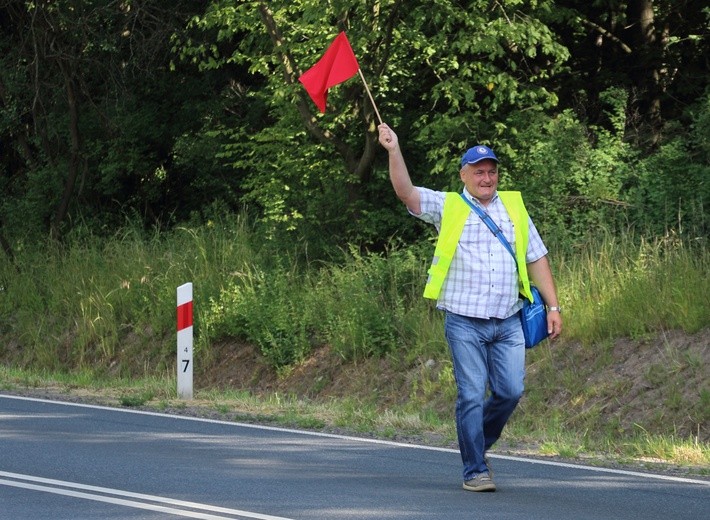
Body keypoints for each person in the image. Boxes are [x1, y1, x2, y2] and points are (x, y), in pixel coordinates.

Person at [378, 123, 562, 492]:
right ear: (464, 175)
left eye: (492, 171)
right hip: (464, 320)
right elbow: (407, 194)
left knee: (510, 391)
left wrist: (554, 306)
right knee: (472, 393)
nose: (487, 177)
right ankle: (475, 469)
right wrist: (394, 149)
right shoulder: (449, 205)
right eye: (479, 171)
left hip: (509, 319)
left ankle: (478, 443)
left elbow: (536, 257)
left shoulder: (514, 207)